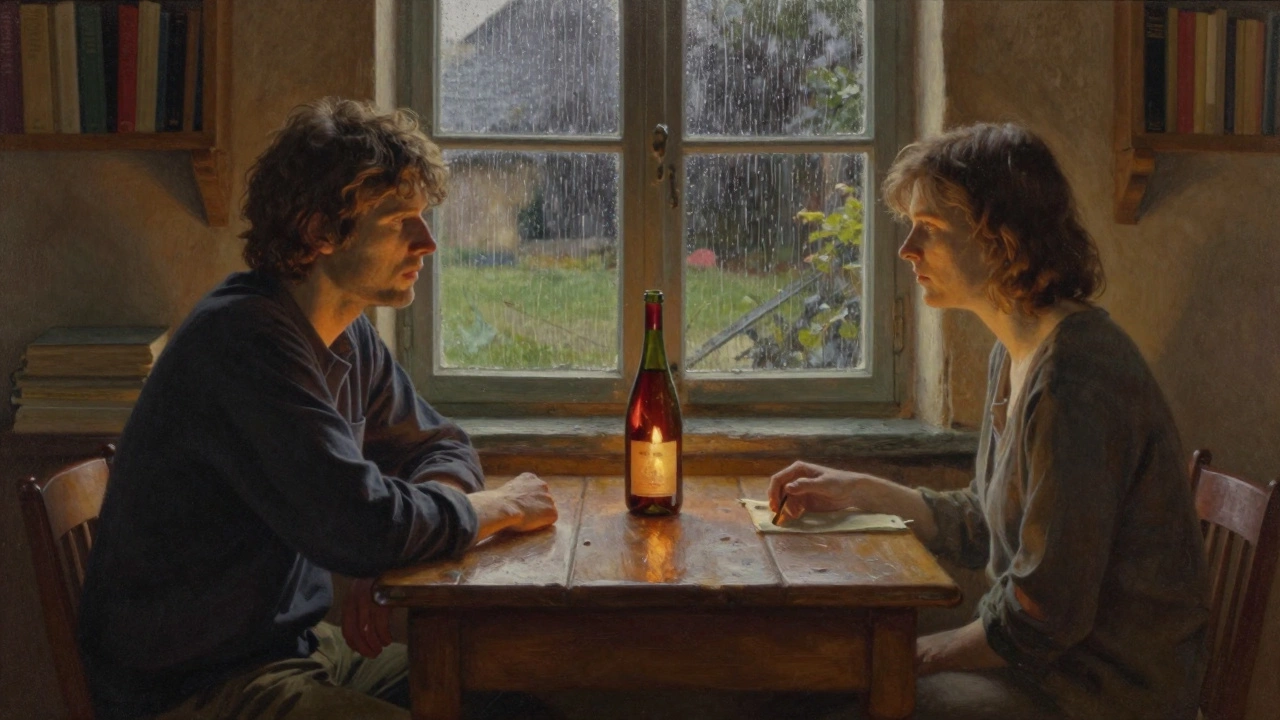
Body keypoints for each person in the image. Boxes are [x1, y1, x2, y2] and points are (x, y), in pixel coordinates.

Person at [77, 98, 559, 720]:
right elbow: (360, 525)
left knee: (501, 695)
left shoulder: (345, 331)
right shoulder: (245, 343)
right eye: (398, 220)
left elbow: (438, 446)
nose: (428, 242)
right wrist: (487, 507)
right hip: (193, 686)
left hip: (293, 648)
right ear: (319, 230)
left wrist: (390, 548)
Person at [768, 123, 1208, 720]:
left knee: (841, 700)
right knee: (813, 690)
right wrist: (858, 491)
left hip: (1099, 697)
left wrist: (918, 656)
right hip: (1047, 676)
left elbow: (1046, 614)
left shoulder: (1075, 380)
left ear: (1004, 238)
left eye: (931, 228)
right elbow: (984, 522)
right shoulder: (1018, 349)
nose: (907, 249)